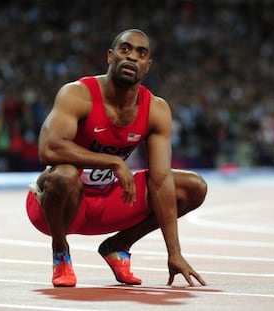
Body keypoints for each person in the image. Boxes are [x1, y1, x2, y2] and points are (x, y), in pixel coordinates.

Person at [25, 29, 207, 287]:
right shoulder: (77, 94)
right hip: (59, 206)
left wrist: (174, 253)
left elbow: (161, 180)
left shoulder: (156, 109)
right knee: (64, 174)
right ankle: (60, 252)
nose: (132, 56)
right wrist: (112, 161)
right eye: (125, 49)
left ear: (148, 66)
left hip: (108, 201)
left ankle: (118, 246)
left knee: (193, 187)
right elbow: (48, 149)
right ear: (110, 56)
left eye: (141, 53)